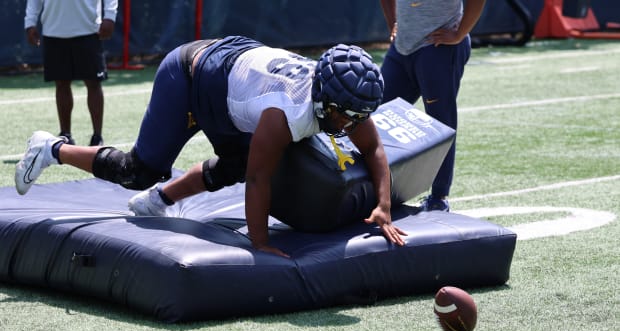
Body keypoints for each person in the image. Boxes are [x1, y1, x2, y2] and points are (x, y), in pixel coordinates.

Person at [15, 36, 407, 257]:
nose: (350, 124)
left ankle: (161, 200)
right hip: (191, 78)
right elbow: (259, 181)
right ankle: (51, 148)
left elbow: (373, 148)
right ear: (324, 98)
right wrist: (260, 243)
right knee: (138, 171)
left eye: (356, 115)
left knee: (234, 164)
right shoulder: (286, 113)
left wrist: (383, 205)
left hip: (231, 78)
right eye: (345, 115)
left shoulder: (338, 95)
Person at [379, 0, 486, 211]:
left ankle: (439, 197)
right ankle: (375, 189)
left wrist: (459, 34)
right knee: (374, 115)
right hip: (401, 48)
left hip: (438, 48)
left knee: (440, 122)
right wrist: (393, 22)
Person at [24, 0, 118, 146]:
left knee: (93, 83)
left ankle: (97, 137)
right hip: (53, 30)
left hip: (88, 29)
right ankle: (65, 135)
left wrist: (110, 16)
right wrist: (30, 22)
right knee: (61, 83)